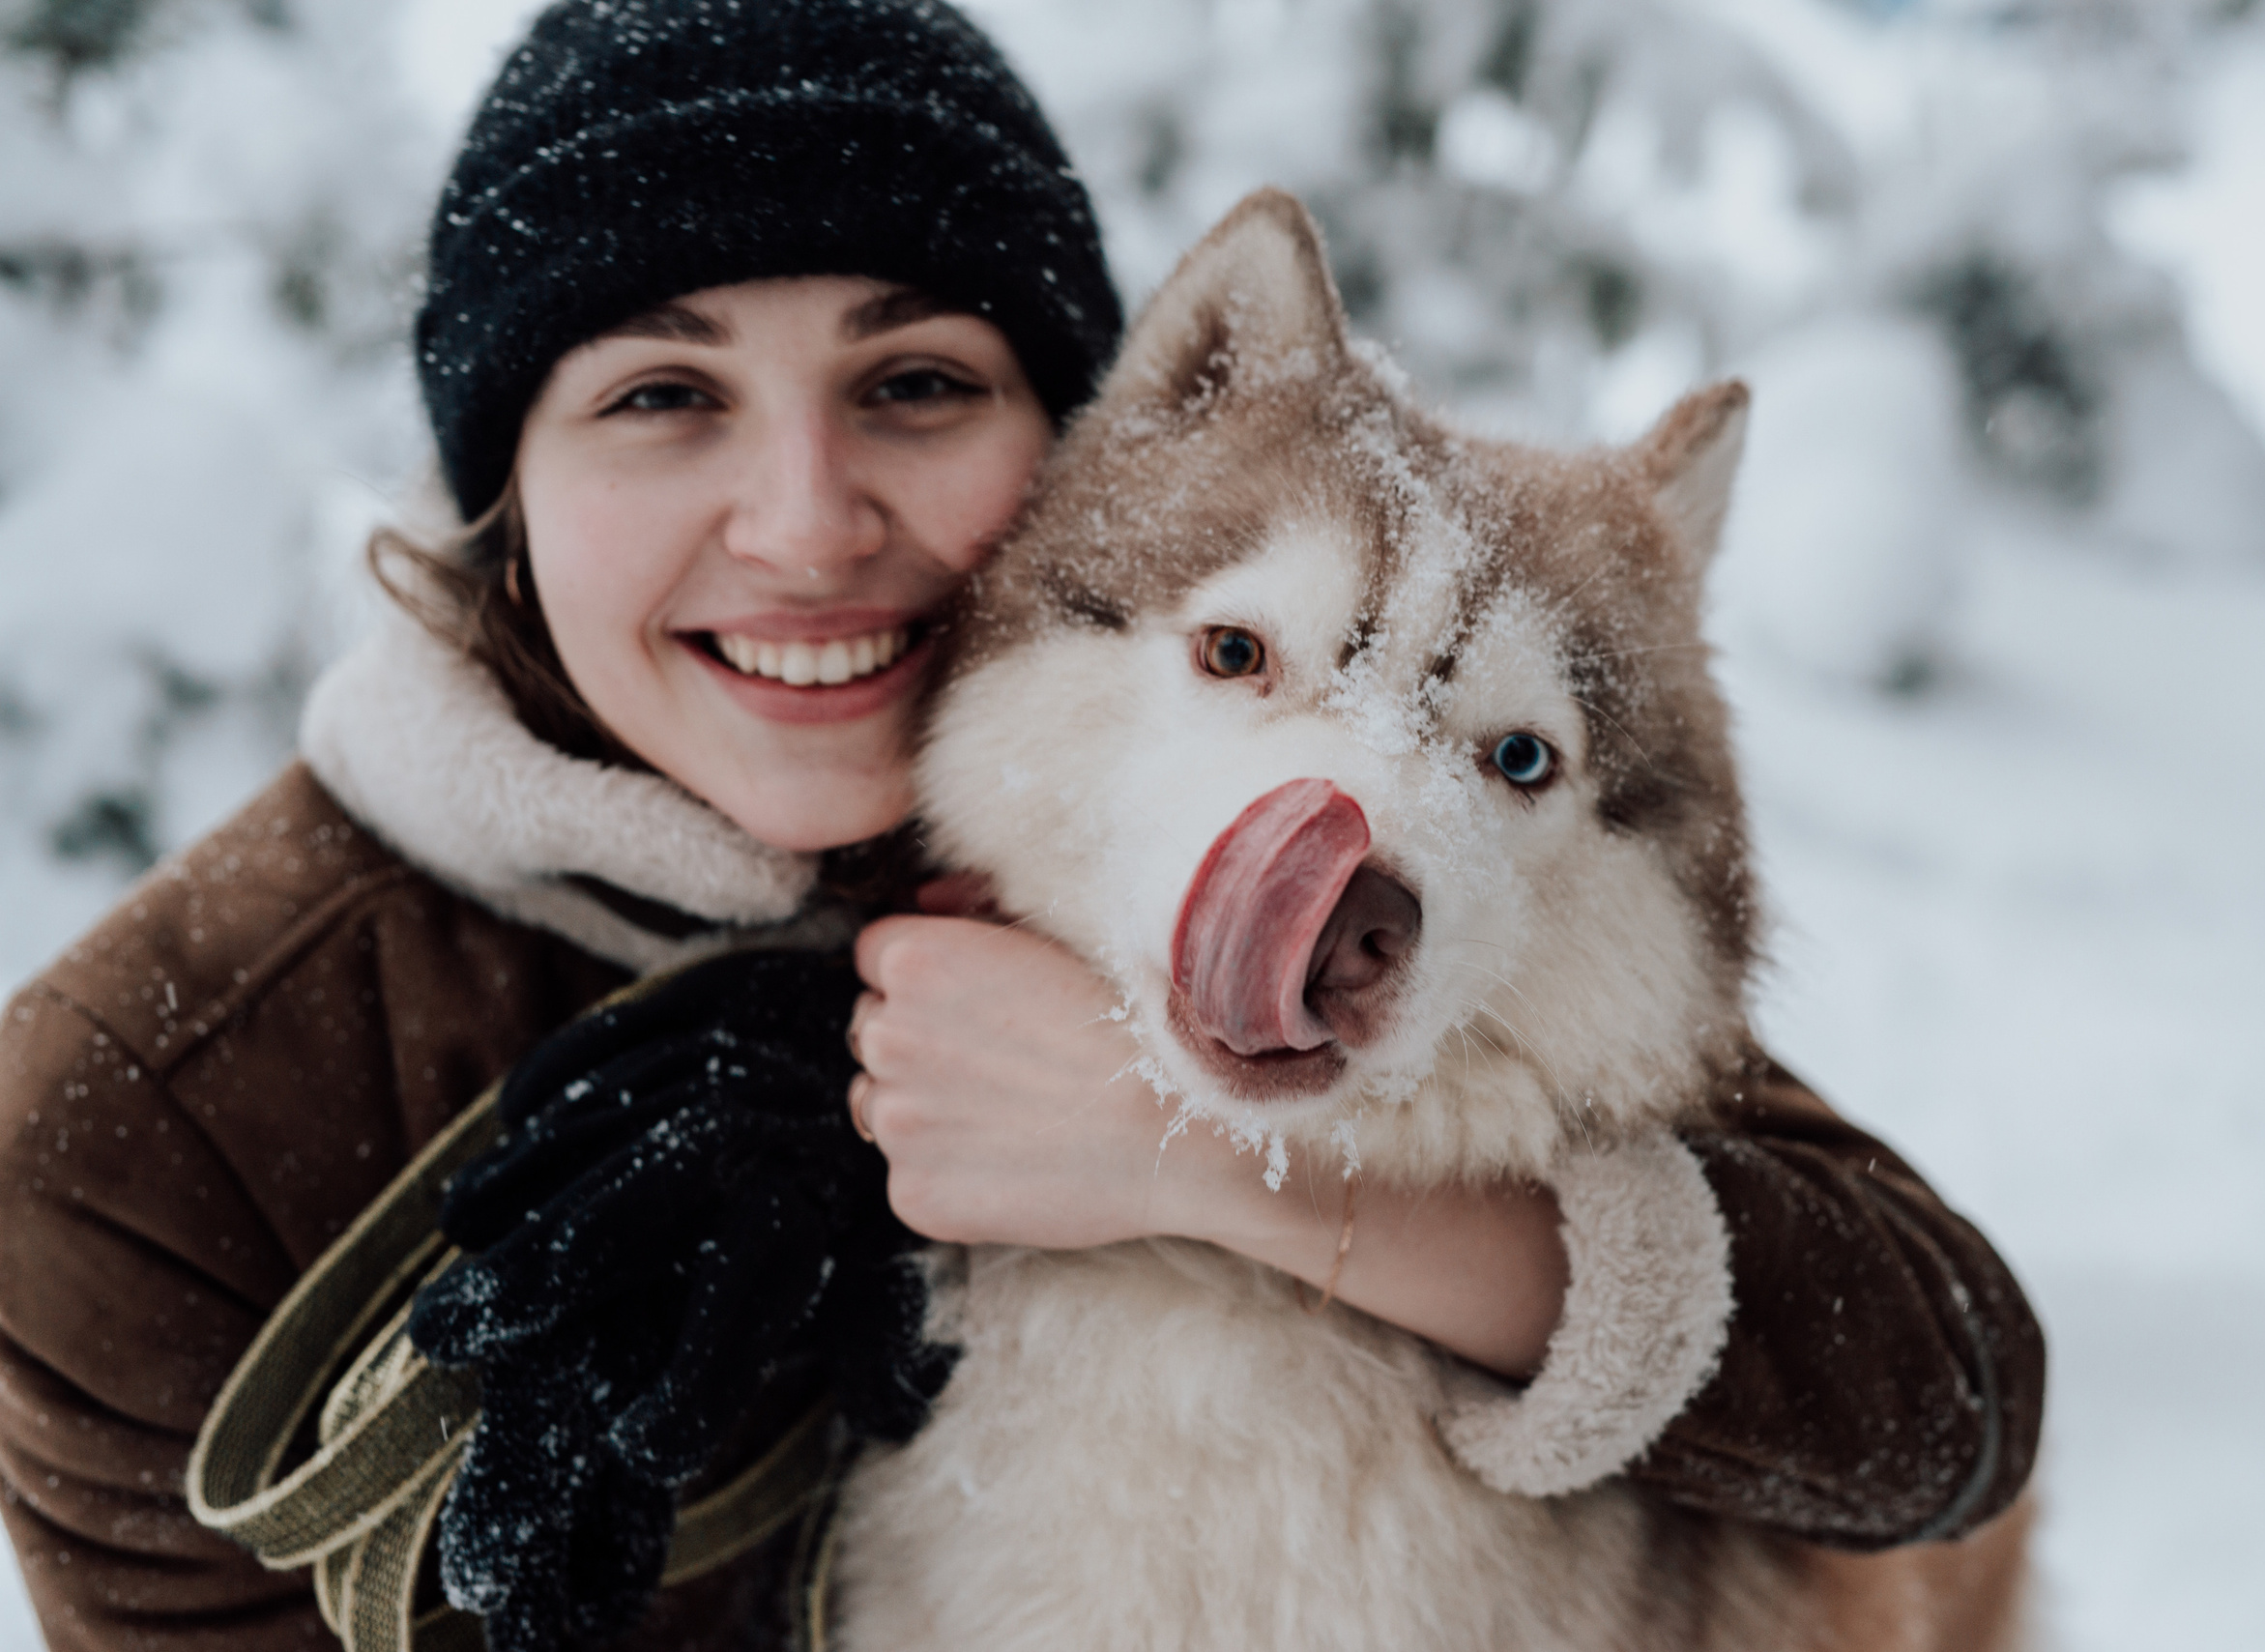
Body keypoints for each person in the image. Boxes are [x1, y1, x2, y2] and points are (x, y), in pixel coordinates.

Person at [0, 2, 2043, 1649]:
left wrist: (1198, 1155)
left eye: (910, 383)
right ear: (502, 483)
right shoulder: (143, 1124)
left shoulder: (1178, 830)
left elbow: (1935, 1392)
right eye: (657, 396)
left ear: (1078, 461)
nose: (806, 527)